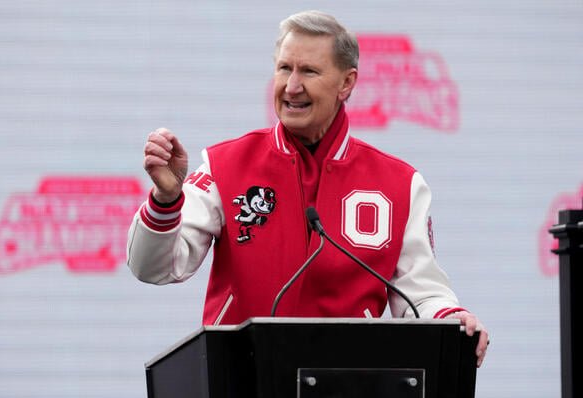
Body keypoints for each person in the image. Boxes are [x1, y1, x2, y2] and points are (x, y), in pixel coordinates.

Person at [127, 10, 489, 367]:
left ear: (346, 83)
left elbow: (422, 296)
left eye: (309, 71)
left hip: (351, 382)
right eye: (285, 68)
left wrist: (452, 319)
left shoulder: (400, 185)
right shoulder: (226, 165)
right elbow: (153, 268)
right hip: (240, 378)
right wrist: (166, 200)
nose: (292, 86)